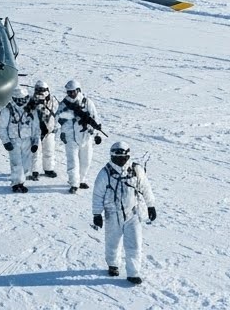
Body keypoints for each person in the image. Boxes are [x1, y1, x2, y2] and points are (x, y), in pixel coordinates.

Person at [91, 140, 157, 285]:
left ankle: (133, 273)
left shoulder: (135, 170)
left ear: (128, 156)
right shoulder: (105, 173)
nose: (120, 160)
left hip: (133, 214)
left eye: (123, 157)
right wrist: (97, 214)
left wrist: (151, 205)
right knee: (112, 242)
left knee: (134, 244)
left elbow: (146, 188)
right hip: (112, 214)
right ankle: (113, 264)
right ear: (112, 156)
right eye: (117, 157)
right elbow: (97, 195)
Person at [56, 79, 102, 193]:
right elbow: (59, 118)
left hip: (85, 135)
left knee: (86, 161)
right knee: (73, 162)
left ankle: (81, 180)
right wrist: (73, 117)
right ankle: (74, 183)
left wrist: (96, 133)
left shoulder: (87, 102)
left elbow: (94, 119)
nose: (71, 94)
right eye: (69, 92)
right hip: (70, 136)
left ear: (78, 90)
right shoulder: (64, 104)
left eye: (73, 92)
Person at [0, 85, 40, 193]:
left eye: (23, 99)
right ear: (14, 99)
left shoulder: (32, 110)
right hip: (14, 141)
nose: (21, 101)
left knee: (26, 165)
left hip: (27, 140)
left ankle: (21, 181)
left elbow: (35, 127)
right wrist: (6, 141)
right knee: (16, 163)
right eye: (19, 99)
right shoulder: (7, 110)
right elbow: (2, 127)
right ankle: (17, 184)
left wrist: (35, 142)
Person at [29, 80, 60, 181]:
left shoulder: (52, 101)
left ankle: (48, 169)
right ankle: (34, 171)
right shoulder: (31, 101)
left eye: (42, 90)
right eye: (38, 90)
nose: (40, 92)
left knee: (49, 151)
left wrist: (56, 126)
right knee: (35, 152)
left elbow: (58, 113)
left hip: (49, 131)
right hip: (36, 132)